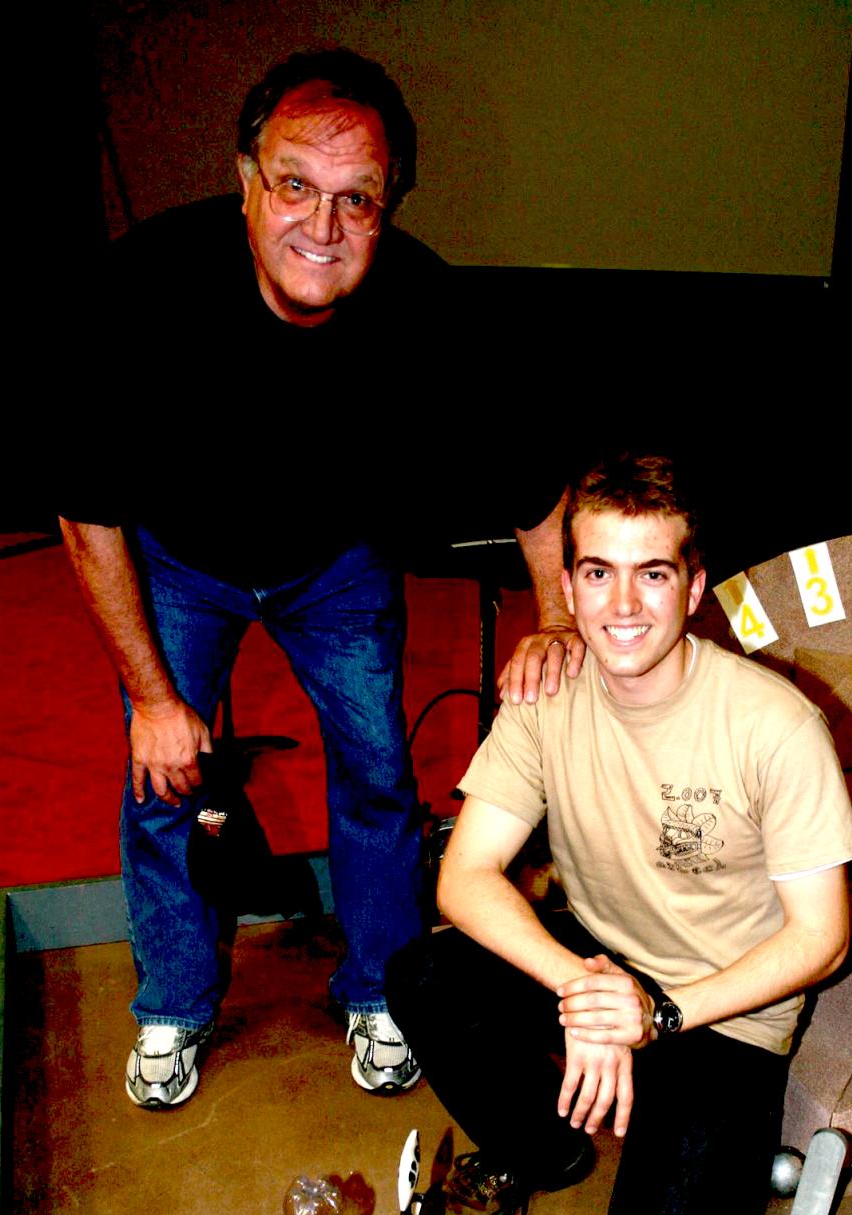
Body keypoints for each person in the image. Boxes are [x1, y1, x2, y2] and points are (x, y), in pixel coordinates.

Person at [56, 47, 567, 1109]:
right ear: (245, 180)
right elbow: (87, 507)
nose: (321, 229)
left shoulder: (424, 304)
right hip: (180, 561)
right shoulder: (144, 287)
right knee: (162, 781)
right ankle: (174, 1002)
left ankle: (380, 988)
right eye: (294, 185)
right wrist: (154, 700)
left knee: (377, 773)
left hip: (333, 563)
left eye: (357, 200)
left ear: (389, 208)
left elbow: (535, 483)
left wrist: (557, 619)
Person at [387, 451, 852, 1215]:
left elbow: (823, 940)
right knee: (424, 976)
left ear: (694, 587)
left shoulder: (774, 724)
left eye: (653, 574)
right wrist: (587, 991)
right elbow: (466, 876)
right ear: (568, 583)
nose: (623, 605)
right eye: (599, 573)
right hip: (604, 969)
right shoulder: (546, 694)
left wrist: (660, 1013)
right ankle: (552, 1148)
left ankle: (664, 1125)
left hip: (723, 1011)